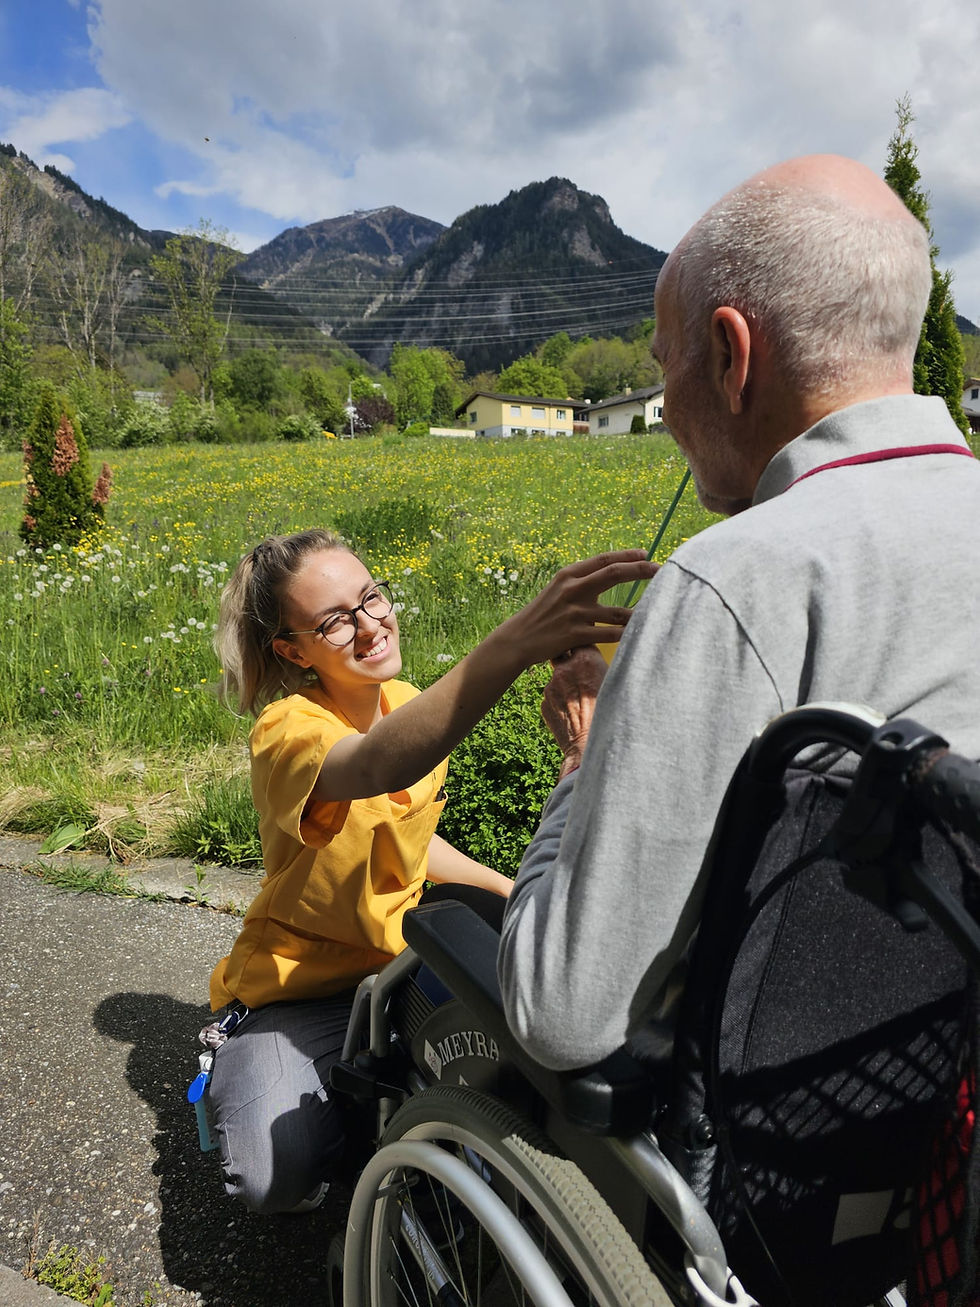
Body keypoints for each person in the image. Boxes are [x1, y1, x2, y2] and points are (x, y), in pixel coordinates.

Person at [498, 153, 980, 1071]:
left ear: (729, 354)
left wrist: (584, 761)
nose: (664, 404)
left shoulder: (734, 578)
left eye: (663, 361)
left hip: (776, 1130)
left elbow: (561, 1010)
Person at [203, 528, 653, 1212]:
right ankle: (316, 1105)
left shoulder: (403, 699)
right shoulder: (288, 730)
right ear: (292, 651)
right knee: (271, 1175)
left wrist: (505, 888)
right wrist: (518, 640)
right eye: (333, 621)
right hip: (302, 988)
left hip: (401, 964)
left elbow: (408, 836)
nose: (369, 625)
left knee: (512, 1065)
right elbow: (377, 764)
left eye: (370, 597)